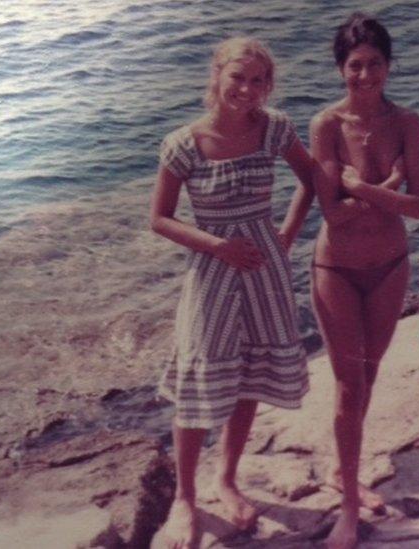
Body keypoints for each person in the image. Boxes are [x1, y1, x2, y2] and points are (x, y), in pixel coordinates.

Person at [150, 36, 314, 548]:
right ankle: (184, 498)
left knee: (250, 374)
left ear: (269, 85)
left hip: (264, 269)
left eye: (258, 80)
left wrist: (286, 234)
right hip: (213, 270)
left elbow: (312, 181)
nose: (246, 89)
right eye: (237, 77)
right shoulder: (184, 143)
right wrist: (218, 245)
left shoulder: (276, 129)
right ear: (217, 76)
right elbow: (158, 218)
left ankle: (226, 478)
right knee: (199, 379)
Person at [309, 12, 419, 549]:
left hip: (389, 268)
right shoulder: (326, 126)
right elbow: (332, 214)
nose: (365, 75)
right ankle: (349, 511)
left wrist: (366, 188)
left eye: (374, 64)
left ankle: (346, 469)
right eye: (355, 66)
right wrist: (389, 186)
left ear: (389, 65)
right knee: (348, 384)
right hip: (336, 268)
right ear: (341, 70)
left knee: (370, 378)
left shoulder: (407, 122)